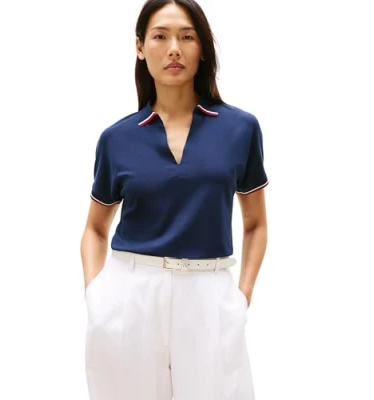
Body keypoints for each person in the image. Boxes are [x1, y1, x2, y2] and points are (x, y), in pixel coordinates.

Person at [80, 0, 268, 399]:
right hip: (130, 294)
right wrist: (97, 297)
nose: (174, 49)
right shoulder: (117, 139)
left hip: (209, 293)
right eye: (160, 37)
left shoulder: (240, 129)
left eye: (187, 37)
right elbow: (95, 229)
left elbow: (255, 224)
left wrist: (241, 298)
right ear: (140, 47)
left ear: (203, 48)